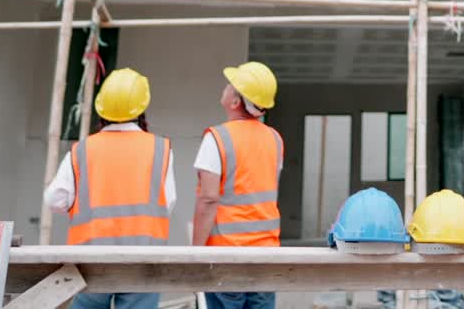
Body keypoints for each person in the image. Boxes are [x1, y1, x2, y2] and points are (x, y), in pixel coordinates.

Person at [45, 67, 173, 309]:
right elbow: (169, 202)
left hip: (90, 263)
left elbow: (55, 200)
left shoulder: (83, 149)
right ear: (141, 109)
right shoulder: (160, 149)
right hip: (143, 261)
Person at [193, 61, 284, 309]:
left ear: (235, 102)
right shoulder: (274, 139)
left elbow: (208, 199)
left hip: (227, 255)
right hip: (265, 255)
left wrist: (195, 253)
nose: (225, 87)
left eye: (229, 85)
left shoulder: (217, 138)